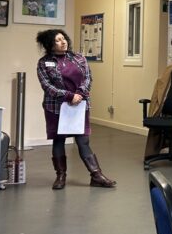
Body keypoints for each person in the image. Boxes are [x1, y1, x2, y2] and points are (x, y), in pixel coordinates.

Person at [36, 29, 116, 189]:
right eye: (58, 40)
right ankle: (60, 176)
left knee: (83, 140)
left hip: (79, 105)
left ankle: (96, 176)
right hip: (56, 107)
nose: (63, 41)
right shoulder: (44, 62)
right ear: (50, 44)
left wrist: (79, 94)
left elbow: (88, 77)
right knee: (59, 140)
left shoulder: (79, 58)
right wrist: (68, 96)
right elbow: (47, 86)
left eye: (64, 38)